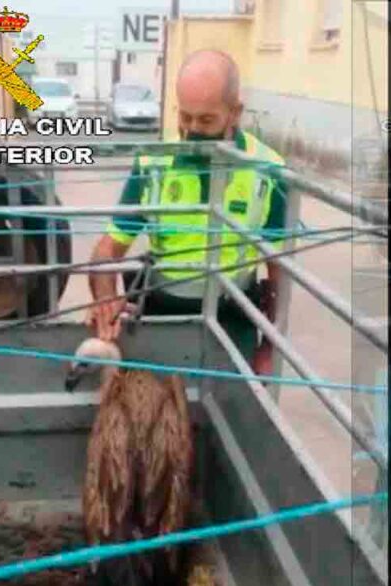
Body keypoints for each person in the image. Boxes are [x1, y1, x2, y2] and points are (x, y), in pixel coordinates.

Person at [86, 50, 288, 375]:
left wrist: (269, 346)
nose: (191, 129)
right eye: (185, 116)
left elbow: (279, 270)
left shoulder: (269, 171)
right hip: (160, 311)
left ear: (235, 112)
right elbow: (107, 248)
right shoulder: (153, 162)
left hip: (233, 317)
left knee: (232, 408)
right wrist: (105, 297)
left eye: (206, 120)